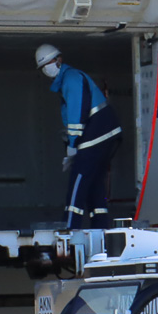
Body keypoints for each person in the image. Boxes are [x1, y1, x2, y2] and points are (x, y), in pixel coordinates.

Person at [34, 43, 122, 229]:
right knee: (94, 181)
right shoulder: (68, 79)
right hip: (105, 132)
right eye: (42, 67)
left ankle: (70, 226)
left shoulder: (71, 79)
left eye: (48, 63)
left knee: (79, 177)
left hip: (98, 132)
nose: (46, 69)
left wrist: (73, 145)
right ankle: (100, 225)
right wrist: (69, 138)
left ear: (59, 60)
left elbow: (77, 112)